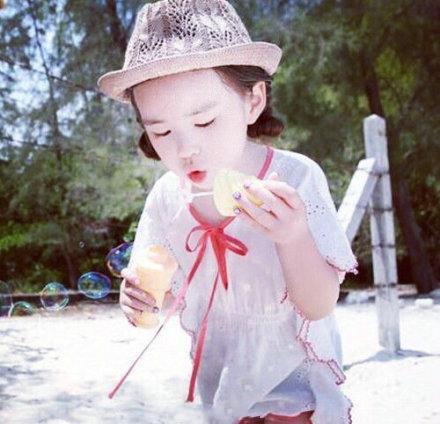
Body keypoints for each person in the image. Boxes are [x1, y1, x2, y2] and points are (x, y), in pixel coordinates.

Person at [97, 1, 359, 423]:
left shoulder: (295, 178)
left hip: (296, 386)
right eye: (161, 130)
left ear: (253, 100)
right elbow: (162, 293)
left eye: (204, 122)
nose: (186, 148)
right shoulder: (167, 198)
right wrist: (142, 299)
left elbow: (319, 305)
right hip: (222, 389)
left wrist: (293, 237)